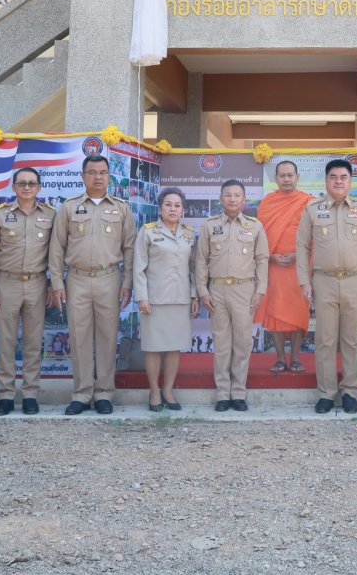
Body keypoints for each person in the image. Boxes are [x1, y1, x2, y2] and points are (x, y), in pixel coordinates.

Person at [49, 154, 136, 415]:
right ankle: (82, 393)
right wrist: (56, 283)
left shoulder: (122, 208)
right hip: (76, 279)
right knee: (79, 337)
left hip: (109, 279)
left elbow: (130, 248)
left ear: (109, 176)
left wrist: (127, 282)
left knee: (108, 337)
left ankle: (104, 394)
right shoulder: (69, 207)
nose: (98, 177)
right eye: (92, 172)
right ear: (83, 176)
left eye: (102, 172)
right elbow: (57, 247)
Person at [296, 159, 357, 414]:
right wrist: (304, 280)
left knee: (352, 340)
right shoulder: (313, 210)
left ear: (350, 181)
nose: (338, 182)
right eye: (333, 177)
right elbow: (302, 246)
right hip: (324, 281)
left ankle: (350, 391)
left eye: (343, 177)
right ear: (326, 181)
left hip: (355, 280)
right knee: (325, 339)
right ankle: (326, 393)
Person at [0, 167, 56, 416]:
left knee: (34, 342)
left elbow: (55, 255)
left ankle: (30, 394)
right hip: (7, 283)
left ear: (39, 187)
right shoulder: (0, 214)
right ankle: (5, 395)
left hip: (37, 283)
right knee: (6, 342)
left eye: (31, 183)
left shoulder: (50, 215)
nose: (27, 187)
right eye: (22, 183)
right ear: (13, 187)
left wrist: (53, 286)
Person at [195, 179, 269, 412]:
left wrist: (260, 290)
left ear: (244, 200)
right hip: (216, 290)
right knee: (222, 343)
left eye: (237, 195)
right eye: (228, 195)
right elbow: (200, 260)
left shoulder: (254, 226)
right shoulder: (210, 225)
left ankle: (238, 393)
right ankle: (222, 394)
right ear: (221, 199)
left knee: (243, 342)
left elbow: (262, 260)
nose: (232, 199)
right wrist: (203, 291)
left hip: (244, 289)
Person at [134, 187, 199, 411]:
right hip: (154, 299)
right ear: (160, 208)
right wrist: (142, 298)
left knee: (174, 347)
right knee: (153, 347)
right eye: (168, 205)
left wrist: (194, 295)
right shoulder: (147, 232)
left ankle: (168, 390)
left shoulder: (189, 234)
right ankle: (154, 390)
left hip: (180, 299)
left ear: (183, 210)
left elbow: (193, 268)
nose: (173, 209)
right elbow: (138, 267)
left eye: (177, 205)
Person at [255, 161, 313, 374]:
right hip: (275, 267)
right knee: (275, 313)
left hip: (300, 268)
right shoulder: (268, 203)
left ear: (298, 177)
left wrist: (299, 256)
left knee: (298, 312)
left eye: (290, 175)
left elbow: (316, 237)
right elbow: (259, 238)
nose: (287, 179)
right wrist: (271, 257)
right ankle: (280, 358)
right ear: (276, 178)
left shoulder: (308, 202)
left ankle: (295, 358)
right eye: (282, 175)